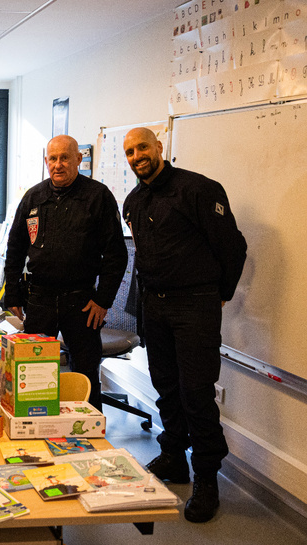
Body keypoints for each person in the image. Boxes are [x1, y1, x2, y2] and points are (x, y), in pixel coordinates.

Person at [122, 127, 247, 523]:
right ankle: (174, 456)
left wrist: (220, 292)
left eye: (143, 147)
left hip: (195, 306)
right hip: (154, 306)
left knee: (196, 393)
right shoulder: (134, 201)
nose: (137, 156)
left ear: (160, 147)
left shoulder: (199, 190)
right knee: (166, 387)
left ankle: (206, 479)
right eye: (130, 151)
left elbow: (233, 247)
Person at [4, 135, 128, 410]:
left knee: (85, 375)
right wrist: (12, 294)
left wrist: (103, 300)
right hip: (39, 299)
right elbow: (15, 249)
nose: (58, 164)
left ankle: (89, 430)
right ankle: (36, 426)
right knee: (33, 373)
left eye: (64, 158)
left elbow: (116, 255)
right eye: (53, 158)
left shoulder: (98, 196)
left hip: (82, 302)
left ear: (78, 159)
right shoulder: (34, 197)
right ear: (46, 161)